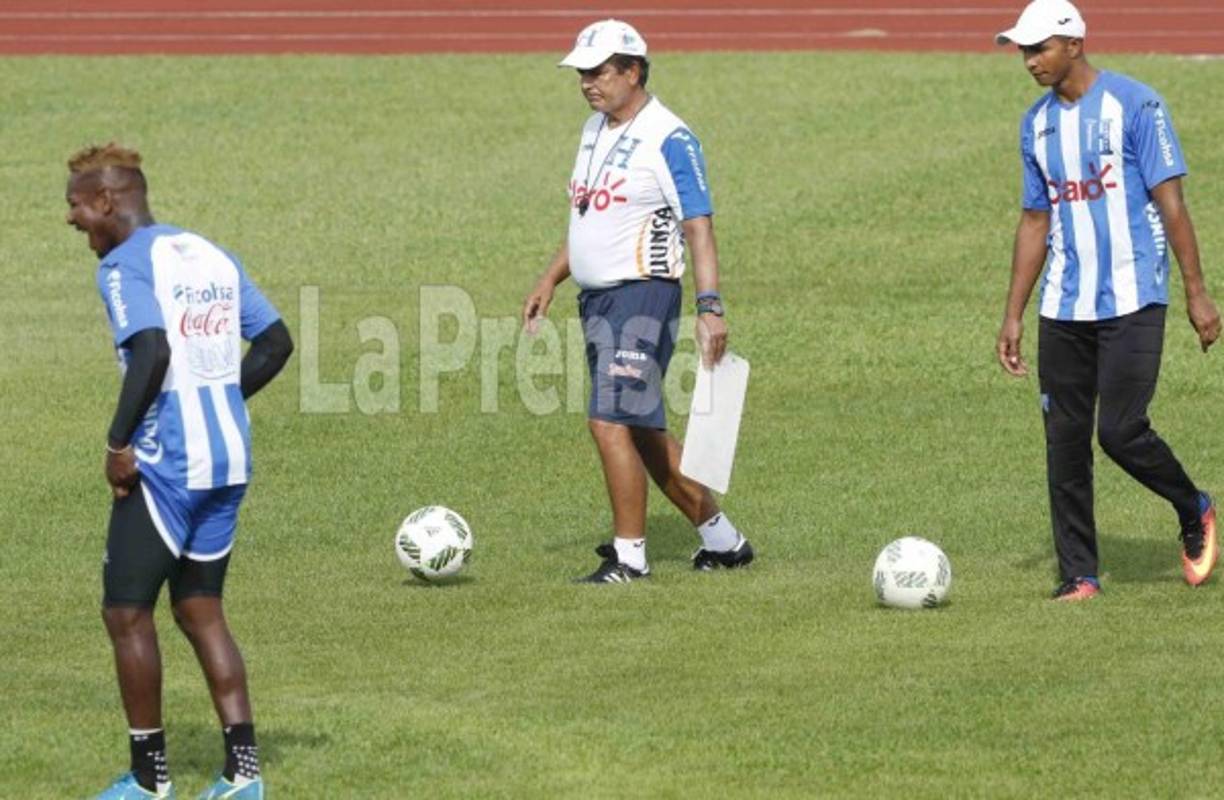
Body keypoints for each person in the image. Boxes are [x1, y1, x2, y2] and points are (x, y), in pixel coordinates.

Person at [67, 143, 293, 799]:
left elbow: (153, 350)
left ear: (107, 200)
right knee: (201, 610)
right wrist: (220, 397)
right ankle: (243, 777)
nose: (72, 219)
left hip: (169, 466)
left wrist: (118, 444)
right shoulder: (209, 253)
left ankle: (148, 781)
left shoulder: (121, 265)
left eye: (75, 205)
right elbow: (276, 342)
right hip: (229, 458)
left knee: (126, 614)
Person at [993, 0, 1221, 600]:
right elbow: (1034, 220)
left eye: (1038, 48)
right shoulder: (1035, 125)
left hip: (1134, 296)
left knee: (1119, 431)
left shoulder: (1136, 105)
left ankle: (1193, 505)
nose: (1029, 61)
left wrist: (1197, 293)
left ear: (1074, 43)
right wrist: (1014, 312)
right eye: (1023, 50)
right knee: (1064, 444)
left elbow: (1172, 204)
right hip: (1062, 307)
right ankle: (1079, 575)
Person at [521, 19, 754, 583]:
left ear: (633, 70)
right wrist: (552, 276)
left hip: (642, 298)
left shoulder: (670, 138)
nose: (587, 83)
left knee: (607, 422)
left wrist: (710, 305)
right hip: (598, 303)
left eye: (598, 72)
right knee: (641, 429)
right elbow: (591, 216)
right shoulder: (593, 129)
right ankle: (723, 542)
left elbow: (699, 226)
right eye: (581, 73)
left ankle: (630, 558)